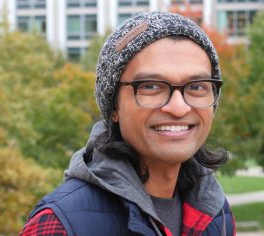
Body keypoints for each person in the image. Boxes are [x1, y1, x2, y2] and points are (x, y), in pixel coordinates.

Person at [20, 11, 236, 236]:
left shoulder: (216, 214)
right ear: (114, 107)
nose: (178, 107)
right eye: (151, 86)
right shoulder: (62, 224)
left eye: (196, 86)